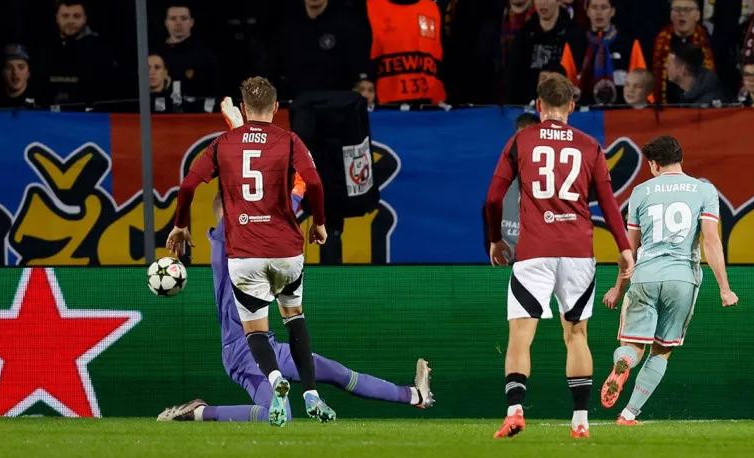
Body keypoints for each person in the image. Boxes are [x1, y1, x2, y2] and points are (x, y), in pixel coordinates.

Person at [157, 191, 434, 423]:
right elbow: (266, 200)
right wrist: (296, 188)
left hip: (268, 346)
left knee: (335, 372)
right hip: (241, 355)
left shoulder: (246, 238)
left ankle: (414, 395)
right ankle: (199, 413)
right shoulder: (223, 240)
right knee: (279, 416)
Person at [168, 77, 334, 427]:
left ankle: (276, 380)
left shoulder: (223, 145)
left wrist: (180, 224)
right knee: (295, 319)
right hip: (287, 252)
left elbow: (187, 185)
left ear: (244, 109)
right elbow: (314, 183)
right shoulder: (289, 141)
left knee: (256, 331)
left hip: (246, 257)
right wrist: (319, 222)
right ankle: (311, 393)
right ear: (277, 109)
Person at [485, 76, 634, 439]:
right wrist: (624, 247)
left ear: (538, 105)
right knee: (577, 334)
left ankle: (515, 410)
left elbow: (492, 199)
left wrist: (495, 240)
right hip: (578, 252)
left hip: (534, 251)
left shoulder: (521, 140)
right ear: (571, 106)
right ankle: (580, 420)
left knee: (521, 333)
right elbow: (610, 205)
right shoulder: (590, 145)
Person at [600, 135, 739, 425]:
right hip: (682, 278)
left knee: (633, 343)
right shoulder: (704, 190)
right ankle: (629, 413)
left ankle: (624, 361)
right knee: (662, 350)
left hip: (645, 275)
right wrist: (724, 289)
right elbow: (711, 241)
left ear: (653, 164)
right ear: (680, 158)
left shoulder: (640, 191)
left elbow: (630, 249)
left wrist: (617, 287)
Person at [480, 112, 540, 262]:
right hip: (509, 262)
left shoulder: (551, 179)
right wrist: (494, 243)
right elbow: (490, 205)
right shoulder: (506, 175)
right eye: (520, 138)